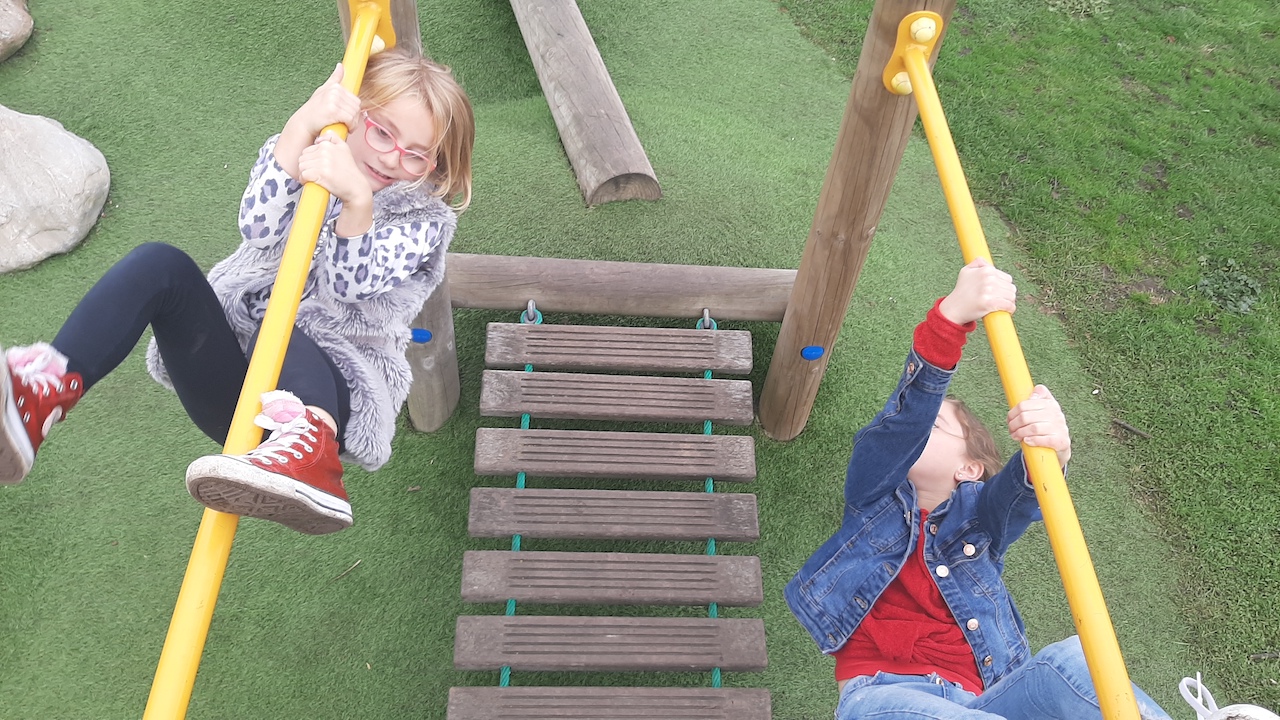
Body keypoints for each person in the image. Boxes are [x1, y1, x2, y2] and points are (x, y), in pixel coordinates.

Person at [0, 49, 474, 536]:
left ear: (436, 166)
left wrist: (356, 201)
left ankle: (311, 459)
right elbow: (258, 226)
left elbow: (349, 286)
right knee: (159, 264)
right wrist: (304, 122)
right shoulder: (311, 157)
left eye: (416, 153)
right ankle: (40, 393)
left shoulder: (421, 222)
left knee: (283, 325)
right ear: (354, 116)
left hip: (335, 393)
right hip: (239, 386)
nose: (392, 156)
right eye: (382, 131)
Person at [784, 258, 1174, 719]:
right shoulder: (873, 501)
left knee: (1070, 660)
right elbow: (900, 428)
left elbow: (1020, 496)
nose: (922, 426)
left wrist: (1051, 453)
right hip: (883, 697)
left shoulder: (979, 525)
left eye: (938, 425)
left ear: (969, 469)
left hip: (984, 702)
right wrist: (948, 320)